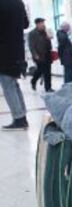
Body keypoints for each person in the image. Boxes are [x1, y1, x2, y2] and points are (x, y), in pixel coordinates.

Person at [0, 0, 29, 130]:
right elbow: (26, 24)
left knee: (8, 86)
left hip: (4, 52)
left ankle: (18, 119)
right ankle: (22, 117)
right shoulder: (19, 3)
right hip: (18, 51)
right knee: (14, 85)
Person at [28, 17, 53, 92]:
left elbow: (49, 42)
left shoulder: (45, 32)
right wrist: (35, 54)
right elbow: (31, 45)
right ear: (37, 24)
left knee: (48, 72)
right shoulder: (32, 33)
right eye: (41, 23)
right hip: (39, 56)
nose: (43, 24)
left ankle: (48, 88)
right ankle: (33, 80)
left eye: (43, 23)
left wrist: (49, 39)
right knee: (40, 70)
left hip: (47, 54)